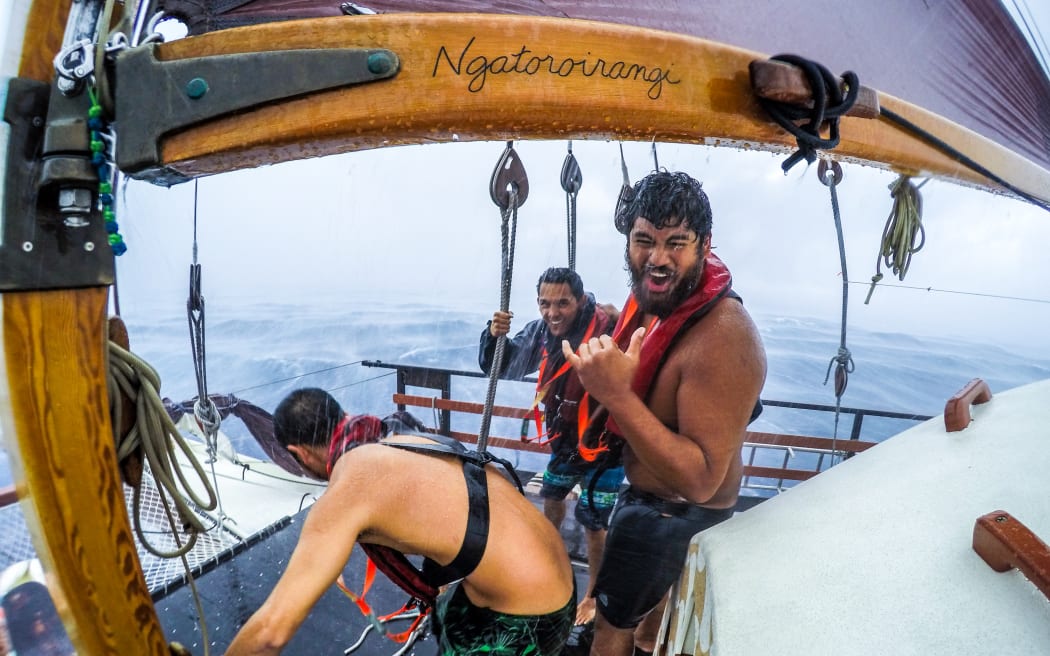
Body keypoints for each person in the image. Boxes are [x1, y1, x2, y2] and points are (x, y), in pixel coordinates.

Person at [561, 171, 766, 656]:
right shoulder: (672, 301)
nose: (656, 258)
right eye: (644, 241)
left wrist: (617, 395)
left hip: (674, 514)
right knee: (650, 631)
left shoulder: (725, 338)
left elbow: (701, 481)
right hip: (655, 502)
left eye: (677, 243)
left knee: (611, 631)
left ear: (705, 245)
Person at [225, 388, 576, 656]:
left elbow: (271, 631)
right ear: (343, 416)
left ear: (299, 454)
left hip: (533, 617)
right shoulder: (401, 437)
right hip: (558, 577)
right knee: (446, 617)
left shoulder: (347, 490)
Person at [479, 267, 624, 627]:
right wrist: (494, 336)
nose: (552, 312)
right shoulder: (542, 333)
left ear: (580, 299)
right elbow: (506, 367)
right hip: (565, 440)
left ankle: (592, 594)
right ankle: (548, 554)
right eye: (544, 303)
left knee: (594, 520)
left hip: (605, 443)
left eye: (562, 303)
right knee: (553, 495)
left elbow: (643, 351)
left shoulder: (607, 328)